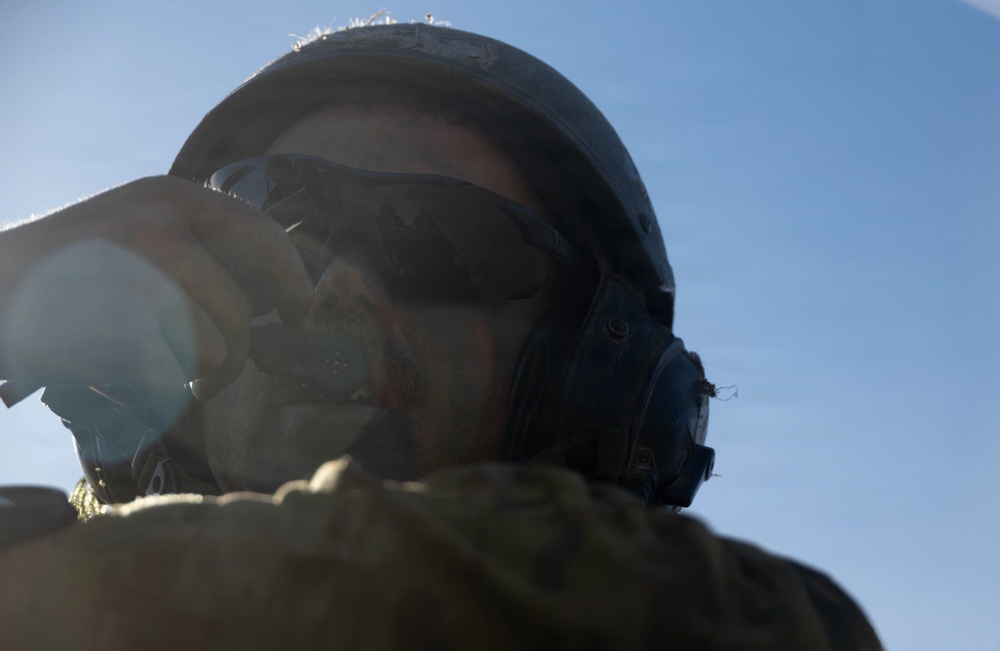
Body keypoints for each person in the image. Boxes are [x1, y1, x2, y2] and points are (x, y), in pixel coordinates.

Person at [0, 24, 882, 649]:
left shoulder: (736, 617)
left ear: (594, 373)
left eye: (439, 241)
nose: (337, 279)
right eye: (272, 216)